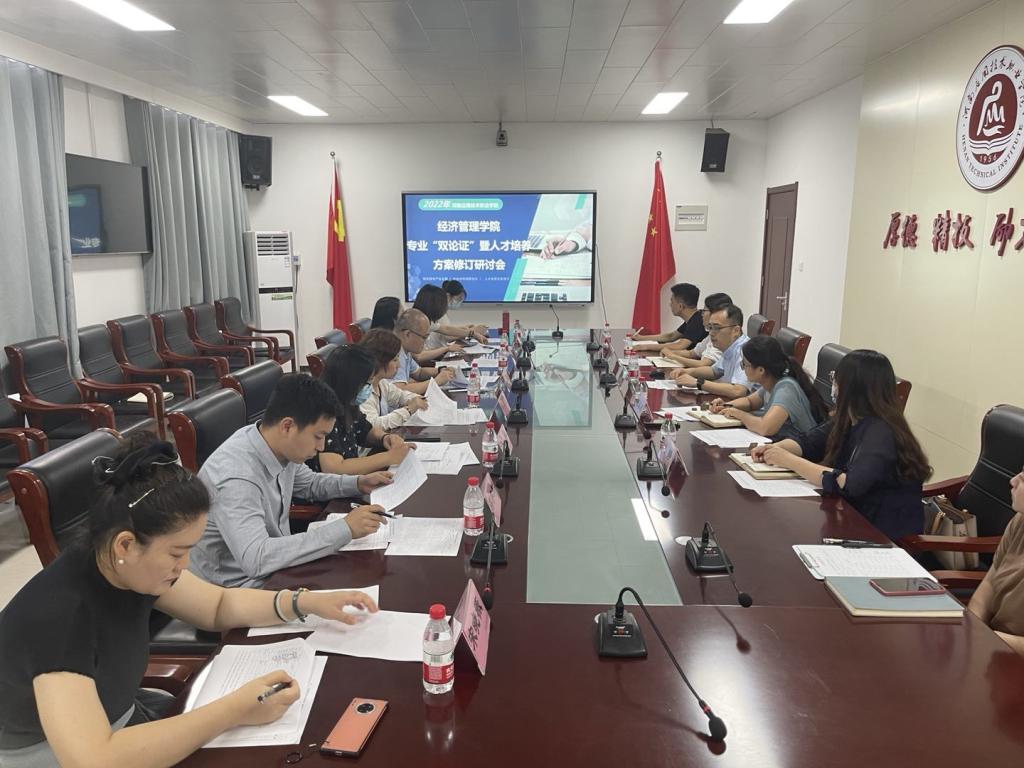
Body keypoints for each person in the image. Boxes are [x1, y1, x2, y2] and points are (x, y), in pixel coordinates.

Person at [0, 433, 379, 768]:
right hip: (52, 752)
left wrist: (304, 603)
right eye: (177, 553)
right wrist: (235, 709)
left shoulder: (123, 565)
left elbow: (217, 606)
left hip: (119, 715)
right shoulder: (61, 618)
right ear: (126, 545)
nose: (184, 566)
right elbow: (96, 759)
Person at [189, 373, 392, 588]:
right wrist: (345, 529)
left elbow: (310, 483)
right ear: (287, 426)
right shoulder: (236, 477)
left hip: (279, 568)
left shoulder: (273, 443)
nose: (321, 446)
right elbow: (256, 559)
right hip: (237, 589)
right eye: (318, 436)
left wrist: (358, 483)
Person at [751, 349, 932, 541]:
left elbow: (850, 484)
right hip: (849, 519)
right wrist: (776, 450)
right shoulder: (848, 418)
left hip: (880, 535)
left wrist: (789, 461)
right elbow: (808, 443)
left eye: (835, 379)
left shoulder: (880, 432)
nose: (833, 385)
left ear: (851, 387)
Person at [313, 346, 415, 472]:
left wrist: (385, 438)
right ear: (350, 382)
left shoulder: (348, 402)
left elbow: (365, 431)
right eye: (367, 383)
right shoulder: (325, 412)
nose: (370, 388)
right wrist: (388, 457)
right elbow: (334, 468)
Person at [707, 335, 828, 440]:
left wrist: (739, 414)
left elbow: (765, 428)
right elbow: (750, 402)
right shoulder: (771, 382)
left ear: (761, 370)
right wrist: (726, 406)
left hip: (803, 451)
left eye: (745, 364)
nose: (743, 369)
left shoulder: (786, 389)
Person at [967, 466, 1024, 655]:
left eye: (1023, 479)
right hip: (993, 641)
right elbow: (990, 582)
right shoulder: (1020, 521)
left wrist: (987, 638)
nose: (1013, 481)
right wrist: (972, 627)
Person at [671, 304, 751, 398]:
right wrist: (688, 372)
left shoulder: (746, 350)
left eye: (717, 328)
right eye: (710, 328)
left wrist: (698, 382)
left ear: (736, 330)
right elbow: (714, 371)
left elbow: (738, 391)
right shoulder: (730, 347)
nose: (711, 333)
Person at [359, 328, 429, 430]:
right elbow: (372, 425)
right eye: (395, 360)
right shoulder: (362, 391)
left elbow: (400, 396)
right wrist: (408, 410)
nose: (399, 365)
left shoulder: (381, 383)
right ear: (380, 360)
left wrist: (417, 399)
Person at [392, 308, 456, 395]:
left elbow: (419, 373)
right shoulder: (394, 352)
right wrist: (436, 382)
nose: (425, 342)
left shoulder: (405, 350)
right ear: (407, 334)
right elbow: (400, 391)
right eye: (424, 337)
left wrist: (440, 371)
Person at [631, 283, 706, 354]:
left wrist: (645, 347)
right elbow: (671, 336)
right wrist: (641, 338)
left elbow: (680, 346)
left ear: (680, 306)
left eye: (672, 301)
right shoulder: (694, 317)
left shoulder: (698, 321)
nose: (670, 304)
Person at [414, 283, 486, 351]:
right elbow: (447, 334)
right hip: (433, 354)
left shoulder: (426, 319)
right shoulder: (422, 320)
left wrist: (469, 331)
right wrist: (472, 331)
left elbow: (446, 329)